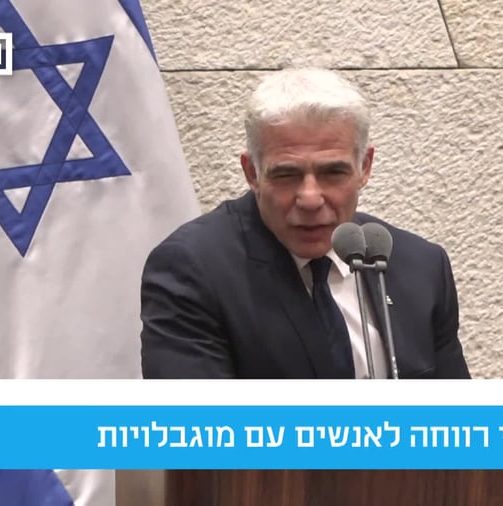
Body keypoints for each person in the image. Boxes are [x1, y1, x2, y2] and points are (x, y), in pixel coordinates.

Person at [140, 68, 469, 379]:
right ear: (252, 173)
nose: (310, 199)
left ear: (365, 167)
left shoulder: (420, 265)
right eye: (286, 174)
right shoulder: (193, 270)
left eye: (333, 172)